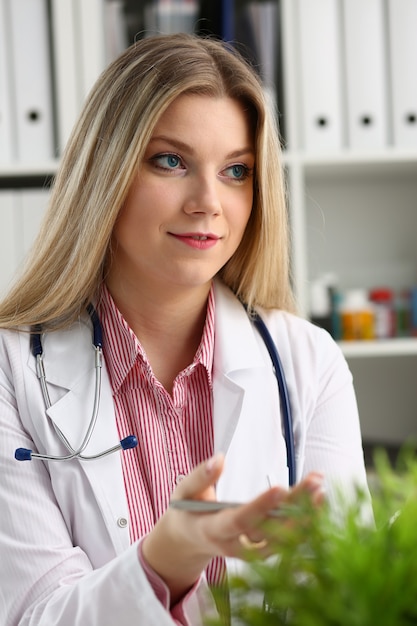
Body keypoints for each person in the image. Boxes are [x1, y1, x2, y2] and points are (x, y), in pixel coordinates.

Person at [0, 33, 370, 626]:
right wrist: (166, 558)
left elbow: (350, 602)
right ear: (106, 172)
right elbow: (32, 615)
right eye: (170, 160)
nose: (208, 202)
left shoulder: (307, 362)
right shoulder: (11, 369)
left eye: (235, 171)